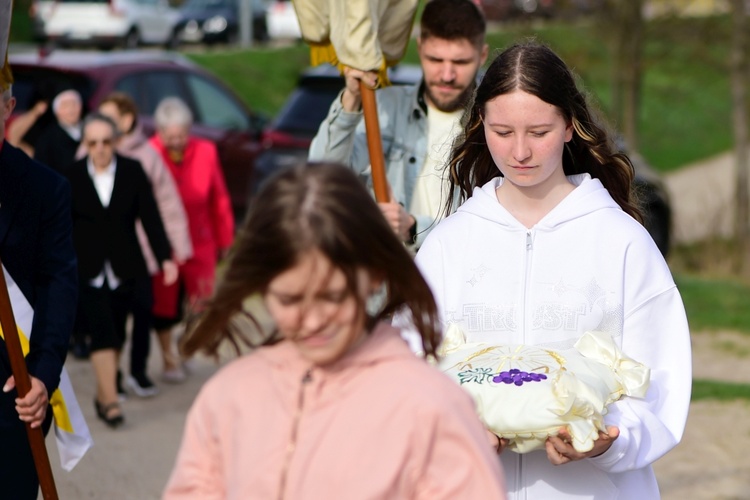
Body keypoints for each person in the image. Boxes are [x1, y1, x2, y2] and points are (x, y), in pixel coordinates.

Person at [409, 41, 692, 499]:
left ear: (569, 126)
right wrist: (452, 430)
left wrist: (606, 441)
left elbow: (659, 384)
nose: (520, 151)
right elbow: (409, 372)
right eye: (502, 131)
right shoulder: (447, 245)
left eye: (538, 131)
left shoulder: (623, 243)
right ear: (480, 125)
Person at [162, 162, 507, 499]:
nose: (312, 321)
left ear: (373, 274)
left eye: (332, 296)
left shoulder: (432, 407)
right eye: (289, 299)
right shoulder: (228, 396)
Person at [308, 0, 488, 248]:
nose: (447, 75)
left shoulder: (493, 123)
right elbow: (322, 173)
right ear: (420, 47)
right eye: (435, 60)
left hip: (457, 279)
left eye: (460, 62)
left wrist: (414, 228)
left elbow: (490, 226)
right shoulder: (384, 107)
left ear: (482, 55)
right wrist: (351, 99)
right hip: (391, 277)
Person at [66, 112, 178, 428]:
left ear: (116, 141)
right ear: (85, 144)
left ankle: (103, 396)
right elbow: (62, 226)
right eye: (93, 143)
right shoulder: (72, 175)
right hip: (88, 269)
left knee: (117, 334)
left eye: (106, 141)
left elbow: (150, 216)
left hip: (126, 265)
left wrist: (165, 257)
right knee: (102, 333)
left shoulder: (132, 170)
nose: (100, 148)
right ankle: (112, 401)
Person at [0, 86, 78, 498]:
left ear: (9, 108)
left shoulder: (44, 188)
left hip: (13, 383)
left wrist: (44, 374)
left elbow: (58, 285)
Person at [97, 92, 193, 398]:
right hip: (104, 255)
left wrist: (177, 249)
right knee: (111, 319)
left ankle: (138, 371)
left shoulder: (146, 156)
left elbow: (166, 206)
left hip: (141, 253)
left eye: (110, 116)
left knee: (142, 314)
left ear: (126, 120)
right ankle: (113, 377)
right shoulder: (93, 153)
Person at [149, 96, 234, 384]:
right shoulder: (148, 153)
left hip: (201, 238)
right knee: (164, 305)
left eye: (181, 135)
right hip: (164, 241)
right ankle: (168, 359)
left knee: (201, 302)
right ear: (159, 132)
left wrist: (225, 238)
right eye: (170, 136)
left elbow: (219, 197)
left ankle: (185, 348)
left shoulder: (206, 150)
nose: (176, 141)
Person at [33, 88, 83, 173]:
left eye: (74, 104)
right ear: (56, 111)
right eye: (65, 106)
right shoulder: (48, 139)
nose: (71, 110)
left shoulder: (90, 129)